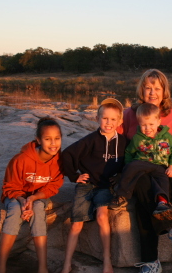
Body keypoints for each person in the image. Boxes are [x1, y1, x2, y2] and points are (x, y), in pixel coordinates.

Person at [116, 69, 172, 273]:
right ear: (141, 89)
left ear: (165, 91)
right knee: (145, 196)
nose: (152, 92)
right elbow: (120, 144)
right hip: (138, 171)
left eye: (157, 88)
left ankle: (150, 262)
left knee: (143, 206)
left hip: (163, 174)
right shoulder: (131, 113)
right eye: (148, 87)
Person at [61, 98, 127, 273]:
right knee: (76, 223)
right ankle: (66, 263)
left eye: (113, 119)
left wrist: (120, 175)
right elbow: (67, 155)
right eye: (105, 118)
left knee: (102, 216)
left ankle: (107, 260)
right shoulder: (90, 140)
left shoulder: (123, 142)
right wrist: (74, 176)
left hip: (105, 186)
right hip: (86, 185)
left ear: (120, 121)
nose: (109, 123)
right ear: (97, 118)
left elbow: (129, 162)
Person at [0, 117, 64, 273]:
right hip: (16, 195)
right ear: (38, 140)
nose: (53, 143)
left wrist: (33, 198)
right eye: (48, 139)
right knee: (14, 211)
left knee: (39, 210)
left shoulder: (60, 161)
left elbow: (53, 186)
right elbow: (10, 186)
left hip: (38, 196)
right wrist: (22, 200)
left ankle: (42, 267)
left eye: (57, 139)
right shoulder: (21, 160)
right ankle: (1, 265)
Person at [109, 103, 172, 216]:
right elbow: (129, 152)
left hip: (160, 166)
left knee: (163, 181)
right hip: (141, 165)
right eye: (144, 125)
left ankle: (163, 202)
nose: (147, 128)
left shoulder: (168, 137)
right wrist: (128, 167)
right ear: (139, 123)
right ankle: (121, 195)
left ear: (158, 121)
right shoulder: (137, 138)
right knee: (133, 168)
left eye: (151, 124)